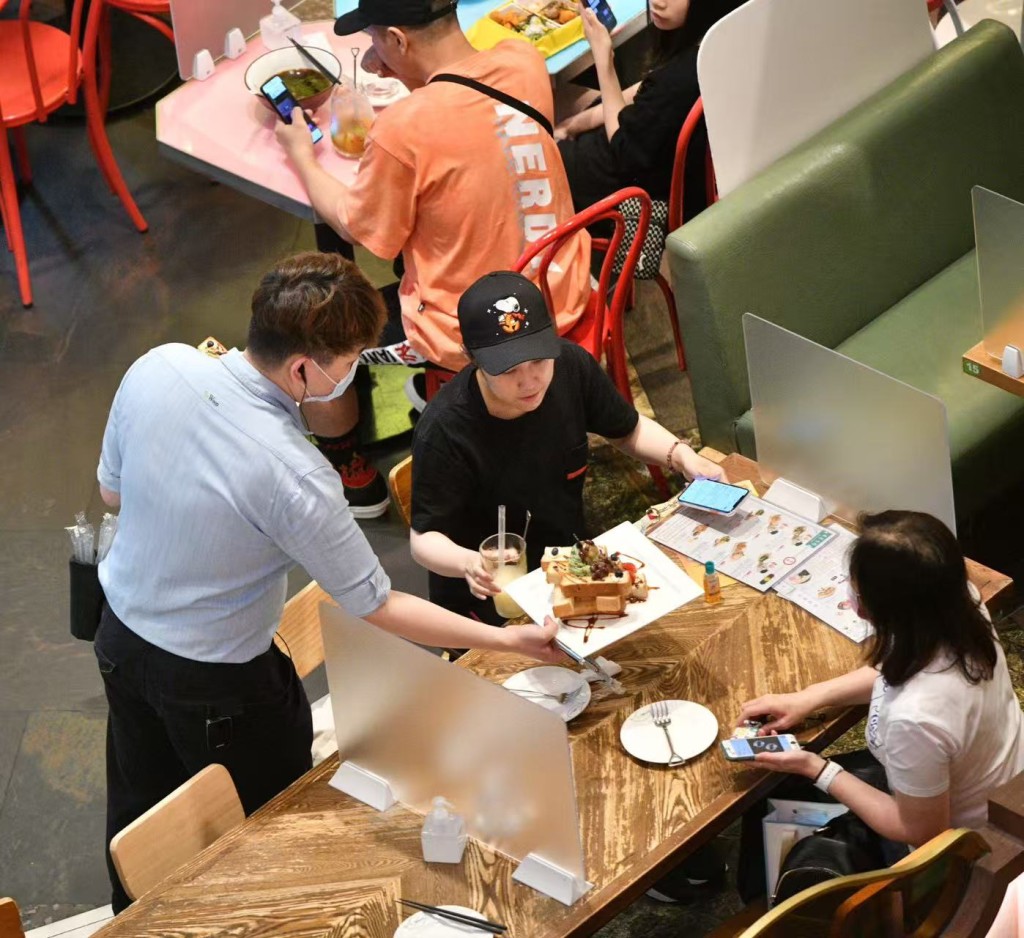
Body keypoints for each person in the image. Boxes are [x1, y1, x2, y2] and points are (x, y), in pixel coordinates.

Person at [94, 253, 561, 913]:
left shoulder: (159, 365)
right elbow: (377, 603)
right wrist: (508, 641)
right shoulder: (296, 476)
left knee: (139, 806)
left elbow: (112, 494)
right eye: (347, 364)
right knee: (283, 826)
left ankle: (131, 921)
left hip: (117, 639)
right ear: (302, 370)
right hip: (221, 684)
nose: (351, 377)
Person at [273, 0, 591, 517]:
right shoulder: (524, 62)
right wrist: (409, 73)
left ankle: (352, 477)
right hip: (560, 291)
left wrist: (302, 157)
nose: (373, 52)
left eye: (376, 39)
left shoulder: (402, 129)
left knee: (310, 332)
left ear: (398, 39)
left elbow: (358, 226)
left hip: (475, 334)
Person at [733, 510, 1024, 901]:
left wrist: (816, 767)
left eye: (853, 586)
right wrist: (809, 697)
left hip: (961, 846)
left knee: (770, 799)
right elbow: (898, 668)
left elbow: (921, 832)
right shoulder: (957, 604)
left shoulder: (915, 718)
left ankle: (766, 908)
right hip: (998, 785)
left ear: (866, 609)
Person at [408, 270, 726, 625]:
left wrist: (682, 456)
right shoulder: (445, 431)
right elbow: (423, 540)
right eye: (509, 370)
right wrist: (469, 563)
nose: (529, 381)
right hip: (489, 597)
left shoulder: (570, 366)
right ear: (471, 358)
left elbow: (627, 429)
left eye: (539, 360)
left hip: (570, 564)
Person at [555, 0, 745, 217]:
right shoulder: (725, 39)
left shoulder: (678, 81)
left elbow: (624, 148)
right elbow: (648, 86)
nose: (657, 2)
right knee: (568, 104)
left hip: (633, 192)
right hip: (649, 148)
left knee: (537, 143)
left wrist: (603, 56)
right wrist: (575, 124)